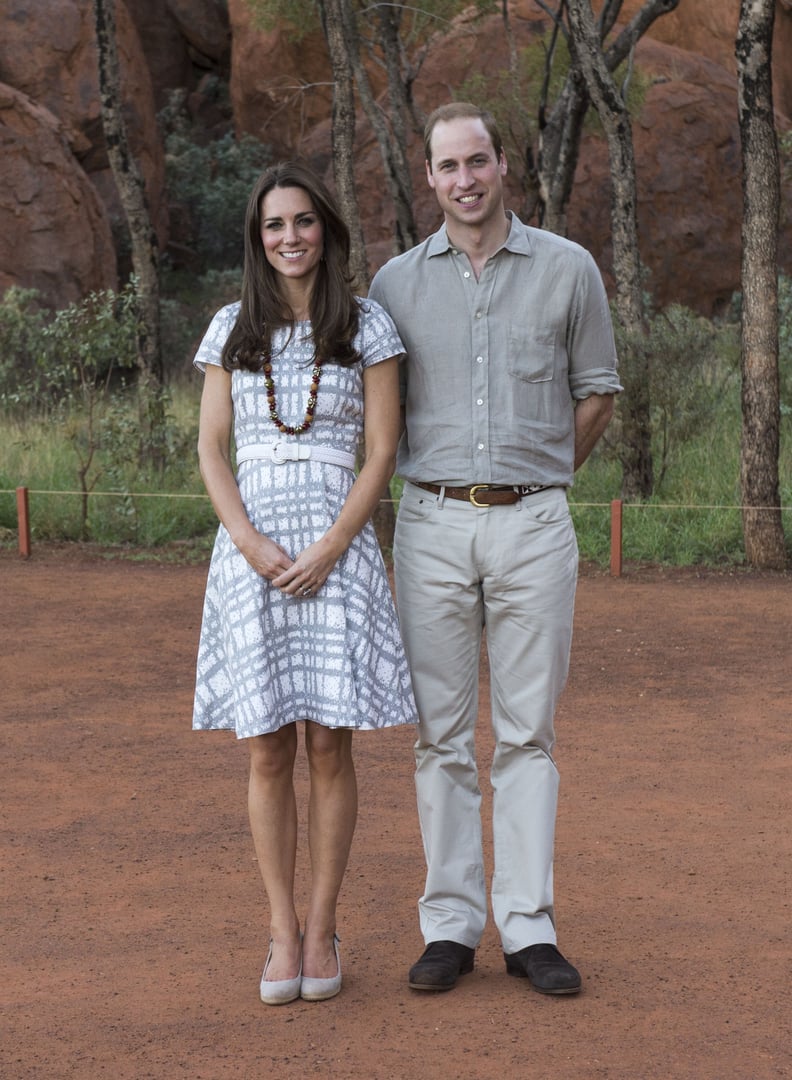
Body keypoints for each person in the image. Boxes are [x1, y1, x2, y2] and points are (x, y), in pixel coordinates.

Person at [369, 102, 622, 996]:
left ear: (503, 164)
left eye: (478, 161)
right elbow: (376, 414)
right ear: (428, 179)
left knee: (528, 734)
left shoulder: (569, 270)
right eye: (448, 167)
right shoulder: (394, 286)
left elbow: (596, 391)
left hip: (534, 525)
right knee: (439, 736)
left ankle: (527, 927)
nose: (465, 180)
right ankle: (449, 925)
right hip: (430, 522)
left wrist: (543, 476)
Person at [192, 161, 417, 1006]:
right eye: (273, 226)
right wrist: (247, 540)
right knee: (266, 747)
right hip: (250, 557)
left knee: (329, 744)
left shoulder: (369, 327)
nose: (290, 238)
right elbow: (213, 450)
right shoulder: (229, 329)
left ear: (327, 228)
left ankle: (324, 928)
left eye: (303, 222)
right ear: (258, 240)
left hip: (338, 549)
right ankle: (281, 930)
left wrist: (330, 546)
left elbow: (383, 451)